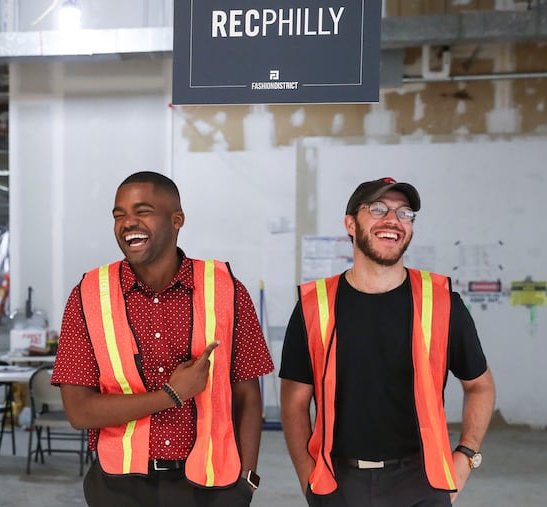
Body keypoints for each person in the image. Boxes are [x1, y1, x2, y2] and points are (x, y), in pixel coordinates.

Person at [51, 171, 274, 507]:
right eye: (119, 215)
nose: (128, 223)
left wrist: (247, 482)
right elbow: (79, 412)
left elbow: (248, 395)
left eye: (143, 211)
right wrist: (171, 394)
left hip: (213, 488)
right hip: (118, 487)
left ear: (177, 220)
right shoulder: (88, 296)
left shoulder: (226, 289)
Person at [279, 177, 495, 506]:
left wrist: (466, 456)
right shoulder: (314, 306)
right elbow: (294, 401)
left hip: (423, 482)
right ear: (350, 224)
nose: (393, 220)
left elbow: (480, 385)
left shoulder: (442, 303)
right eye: (378, 209)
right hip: (338, 483)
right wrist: (307, 475)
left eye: (405, 213)